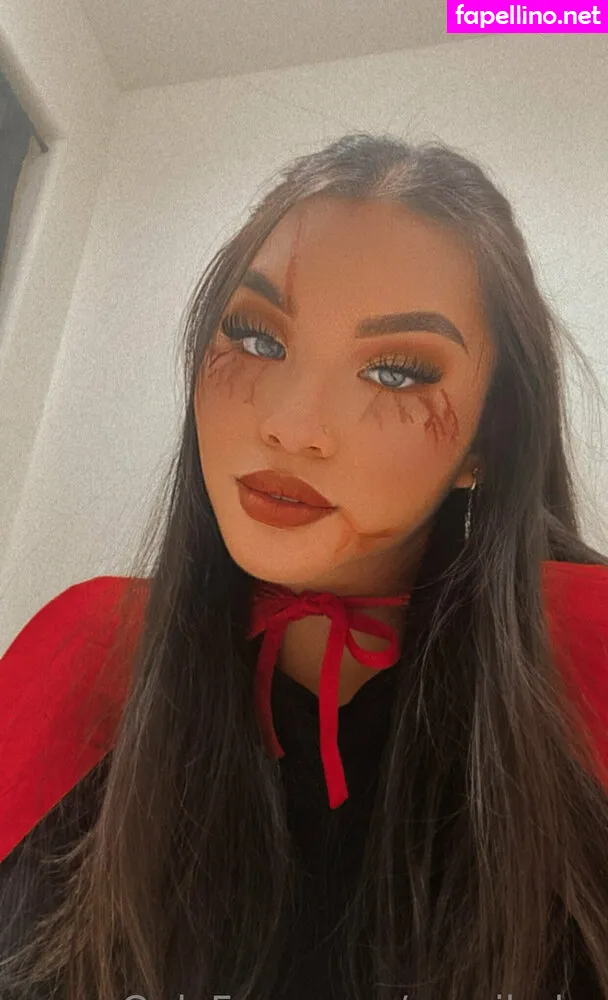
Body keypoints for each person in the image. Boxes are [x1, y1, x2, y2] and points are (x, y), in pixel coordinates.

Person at [0, 132, 607, 1000]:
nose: (291, 424)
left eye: (395, 373)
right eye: (256, 338)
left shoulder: (585, 642)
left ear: (489, 439)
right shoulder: (88, 650)